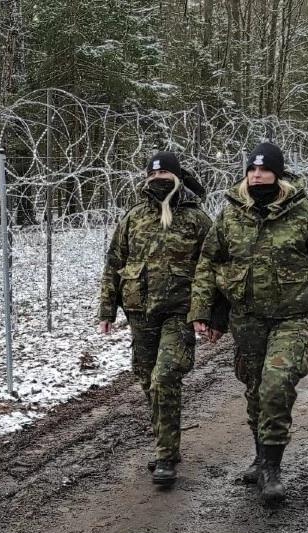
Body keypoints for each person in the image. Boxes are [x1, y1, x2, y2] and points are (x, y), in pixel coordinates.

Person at [188, 142, 308, 504]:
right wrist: (202, 311)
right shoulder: (231, 214)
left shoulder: (303, 213)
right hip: (245, 317)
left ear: (278, 174)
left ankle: (272, 469)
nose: (257, 175)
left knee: (276, 384)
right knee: (254, 388)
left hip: (291, 317)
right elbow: (209, 264)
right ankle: (261, 458)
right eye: (252, 170)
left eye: (264, 170)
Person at [97, 152, 219, 486]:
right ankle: (168, 443)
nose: (158, 177)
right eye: (153, 173)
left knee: (164, 377)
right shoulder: (133, 217)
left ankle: (165, 457)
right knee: (146, 380)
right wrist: (107, 310)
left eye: (165, 172)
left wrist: (209, 313)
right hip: (140, 314)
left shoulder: (196, 220)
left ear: (178, 177)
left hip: (179, 314)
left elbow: (213, 268)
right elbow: (114, 263)